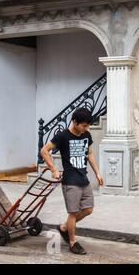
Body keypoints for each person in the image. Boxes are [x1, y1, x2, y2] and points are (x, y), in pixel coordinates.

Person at [40, 107, 104, 255]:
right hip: (70, 181)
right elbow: (44, 151)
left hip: (84, 179)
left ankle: (64, 228)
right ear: (75, 122)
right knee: (73, 213)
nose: (86, 128)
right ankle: (73, 242)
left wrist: (98, 173)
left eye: (88, 125)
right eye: (84, 125)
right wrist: (54, 170)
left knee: (88, 209)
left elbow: (90, 154)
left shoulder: (86, 135)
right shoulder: (63, 136)